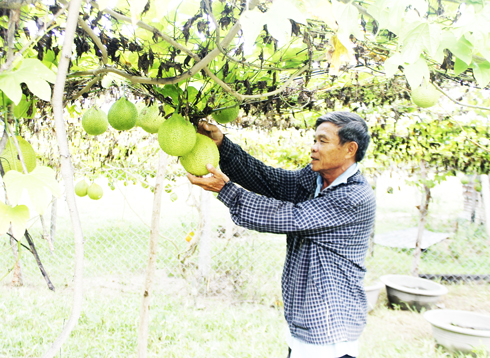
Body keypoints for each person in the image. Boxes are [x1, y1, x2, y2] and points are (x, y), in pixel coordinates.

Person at [187, 111, 376, 358]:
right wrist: (223, 145)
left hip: (331, 331)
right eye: (314, 140)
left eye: (322, 141)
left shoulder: (355, 198)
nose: (313, 148)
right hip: (304, 323)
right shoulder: (314, 179)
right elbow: (270, 180)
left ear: (350, 149)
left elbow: (290, 217)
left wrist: (227, 191)